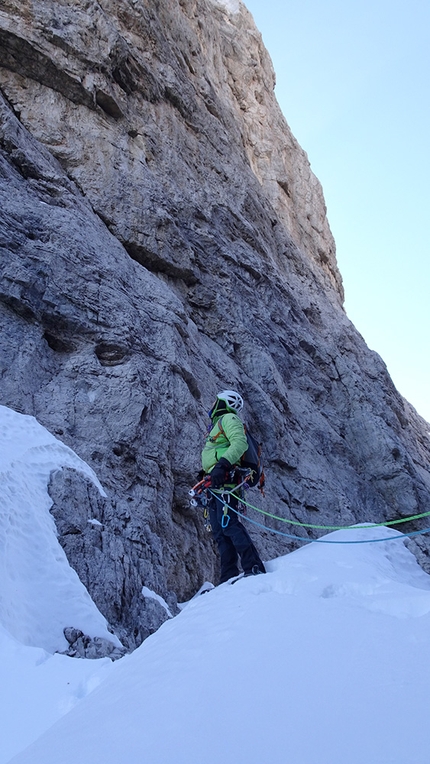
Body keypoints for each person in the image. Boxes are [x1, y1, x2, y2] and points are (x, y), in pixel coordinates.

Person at [201, 389, 266, 584]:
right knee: (220, 532)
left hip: (227, 483)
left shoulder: (229, 418)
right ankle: (227, 577)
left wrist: (222, 465)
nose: (212, 405)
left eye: (215, 401)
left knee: (228, 524)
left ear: (222, 402)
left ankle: (253, 566)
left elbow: (240, 443)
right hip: (216, 484)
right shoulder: (217, 425)